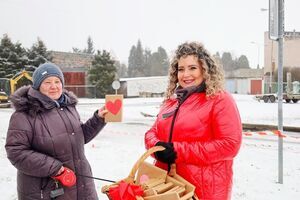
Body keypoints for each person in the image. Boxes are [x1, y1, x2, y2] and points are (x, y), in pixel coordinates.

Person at [145, 42, 242, 199]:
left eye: (192, 68)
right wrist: (156, 147)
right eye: (181, 69)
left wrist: (177, 151)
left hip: (204, 191)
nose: (185, 75)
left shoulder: (220, 100)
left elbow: (229, 145)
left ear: (205, 69)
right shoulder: (171, 102)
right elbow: (152, 132)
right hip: (168, 188)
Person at [5, 63, 108, 200]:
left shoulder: (67, 107)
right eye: (47, 82)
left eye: (57, 81)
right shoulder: (24, 114)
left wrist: (98, 119)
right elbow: (16, 152)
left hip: (81, 185)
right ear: (37, 86)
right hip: (47, 190)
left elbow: (79, 137)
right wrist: (54, 167)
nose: (54, 86)